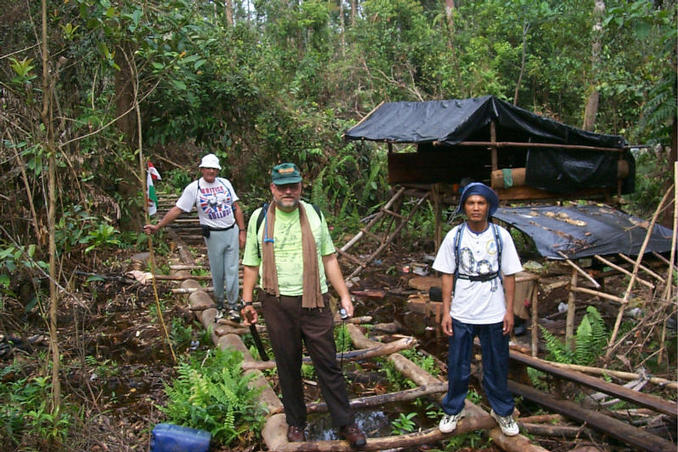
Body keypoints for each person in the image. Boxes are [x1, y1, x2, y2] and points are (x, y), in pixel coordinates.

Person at [240, 163, 366, 449]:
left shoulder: (313, 214)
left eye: (293, 186)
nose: (288, 192)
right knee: (287, 365)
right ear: (272, 188)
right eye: (282, 187)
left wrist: (344, 295)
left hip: (316, 301)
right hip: (276, 302)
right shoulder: (259, 218)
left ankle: (345, 422)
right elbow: (251, 264)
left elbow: (329, 258)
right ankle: (296, 422)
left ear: (300, 188)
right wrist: (247, 301)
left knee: (328, 364)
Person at [432, 182, 522, 437]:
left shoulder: (501, 236)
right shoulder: (455, 236)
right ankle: (453, 409)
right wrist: (446, 311)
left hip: (494, 311)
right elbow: (447, 275)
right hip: (462, 311)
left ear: (488, 207)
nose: (475, 208)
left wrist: (509, 310)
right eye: (471, 203)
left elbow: (510, 275)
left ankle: (502, 411)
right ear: (464, 207)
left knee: (497, 364)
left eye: (480, 203)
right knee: (458, 364)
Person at [144, 154, 246, 321]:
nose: (211, 171)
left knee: (232, 270)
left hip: (231, 231)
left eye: (214, 169)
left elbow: (236, 207)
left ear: (218, 170)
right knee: (218, 272)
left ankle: (233, 307)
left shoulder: (225, 184)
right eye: (208, 168)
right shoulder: (194, 188)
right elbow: (178, 209)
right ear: (201, 170)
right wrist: (158, 226)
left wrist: (242, 231)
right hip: (213, 235)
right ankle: (220, 305)